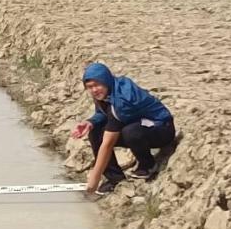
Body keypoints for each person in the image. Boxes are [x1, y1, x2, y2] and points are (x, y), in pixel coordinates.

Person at [70, 62, 175, 196]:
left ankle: (148, 165)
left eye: (97, 85)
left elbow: (107, 144)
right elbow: (104, 113)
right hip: (139, 125)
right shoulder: (109, 91)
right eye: (90, 87)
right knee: (95, 132)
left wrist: (94, 179)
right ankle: (115, 179)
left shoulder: (122, 100)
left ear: (106, 81)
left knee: (130, 132)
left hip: (162, 129)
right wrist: (90, 122)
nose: (94, 90)